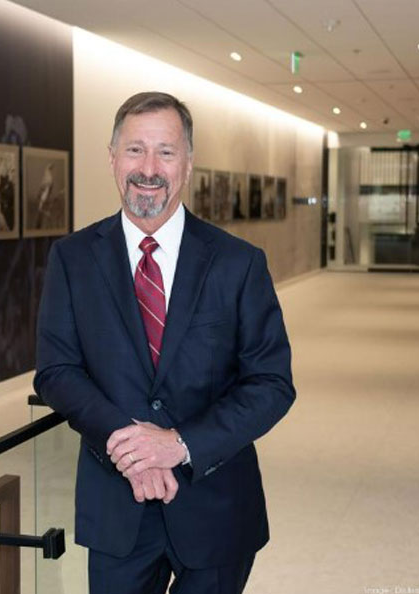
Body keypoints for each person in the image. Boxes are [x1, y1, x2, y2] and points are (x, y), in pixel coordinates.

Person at [34, 91, 295, 594]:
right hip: (116, 505)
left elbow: (272, 383)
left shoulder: (238, 263)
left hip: (215, 505)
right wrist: (128, 446)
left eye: (166, 152)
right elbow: (55, 371)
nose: (148, 168)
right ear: (112, 159)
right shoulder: (72, 259)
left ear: (188, 164)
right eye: (135, 150)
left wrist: (178, 445)